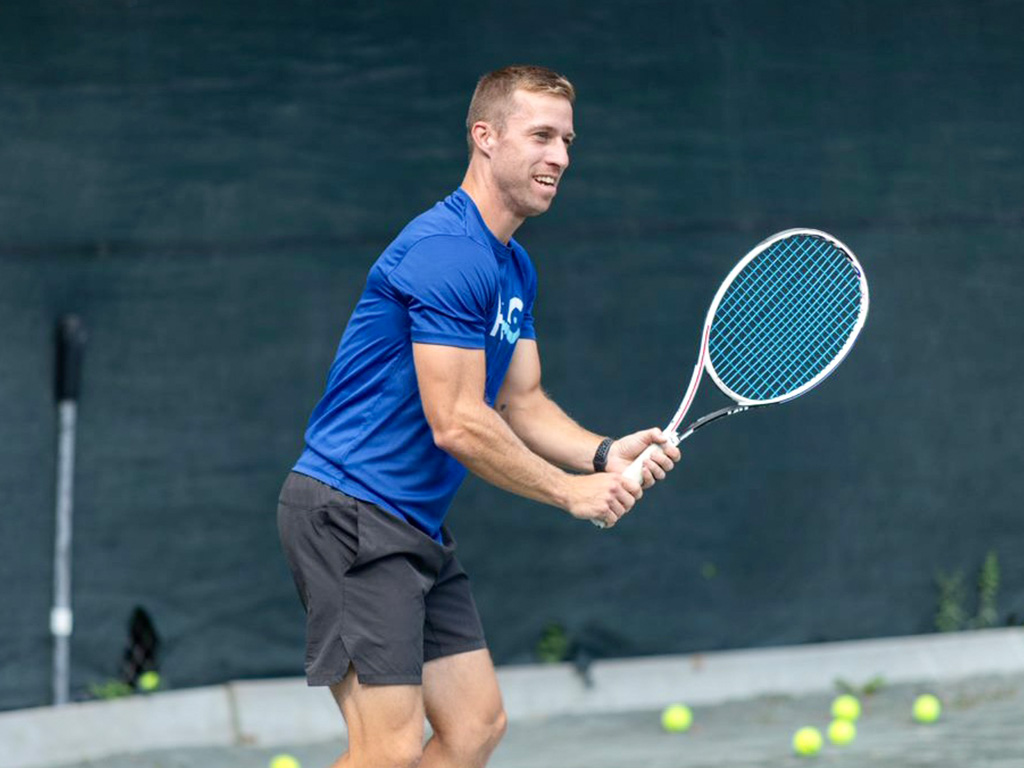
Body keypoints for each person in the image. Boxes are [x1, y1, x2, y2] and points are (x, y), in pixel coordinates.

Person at [277, 65, 681, 768]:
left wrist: (602, 454)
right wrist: (569, 492)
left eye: (567, 140)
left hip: (412, 525)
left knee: (474, 729)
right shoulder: (447, 253)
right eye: (542, 135)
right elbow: (458, 422)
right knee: (389, 749)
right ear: (485, 137)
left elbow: (521, 402)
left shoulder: (513, 266)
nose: (560, 156)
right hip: (350, 515)